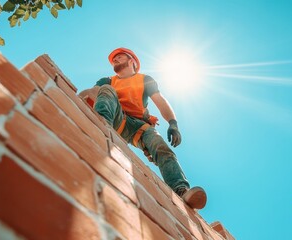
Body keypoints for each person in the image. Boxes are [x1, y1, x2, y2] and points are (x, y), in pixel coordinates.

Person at [79, 47, 207, 209]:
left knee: (159, 145)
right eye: (113, 59)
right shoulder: (108, 80)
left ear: (131, 61)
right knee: (105, 90)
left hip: (138, 126)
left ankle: (181, 190)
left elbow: (160, 101)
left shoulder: (144, 80)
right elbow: (92, 93)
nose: (115, 60)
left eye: (119, 57)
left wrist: (173, 123)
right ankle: (100, 129)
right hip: (117, 117)